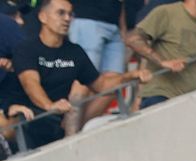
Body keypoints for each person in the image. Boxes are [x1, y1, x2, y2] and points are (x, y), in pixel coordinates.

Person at [12, 0, 151, 149]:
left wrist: (130, 76)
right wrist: (49, 105)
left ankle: (72, 136)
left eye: (70, 14)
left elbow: (101, 85)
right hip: (29, 126)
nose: (67, 18)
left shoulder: (75, 51)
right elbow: (30, 84)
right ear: (43, 17)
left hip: (57, 127)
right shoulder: (26, 48)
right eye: (60, 13)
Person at [125, 0, 196, 110]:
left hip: (188, 100)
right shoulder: (166, 12)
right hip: (159, 96)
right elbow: (133, 39)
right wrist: (162, 62)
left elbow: (194, 63)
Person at [67, 0, 128, 130]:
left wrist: (123, 28)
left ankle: (78, 131)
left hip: (114, 25)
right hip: (87, 20)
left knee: (114, 86)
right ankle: (69, 136)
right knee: (82, 84)